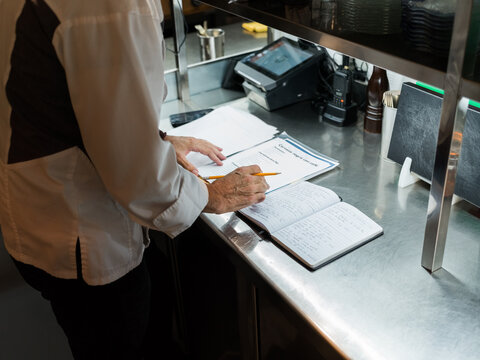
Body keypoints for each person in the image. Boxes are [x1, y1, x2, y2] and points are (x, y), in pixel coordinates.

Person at [0, 1, 268, 359]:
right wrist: (213, 194)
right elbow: (140, 179)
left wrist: (156, 139)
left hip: (39, 211)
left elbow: (67, 95)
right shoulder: (118, 5)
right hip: (82, 236)